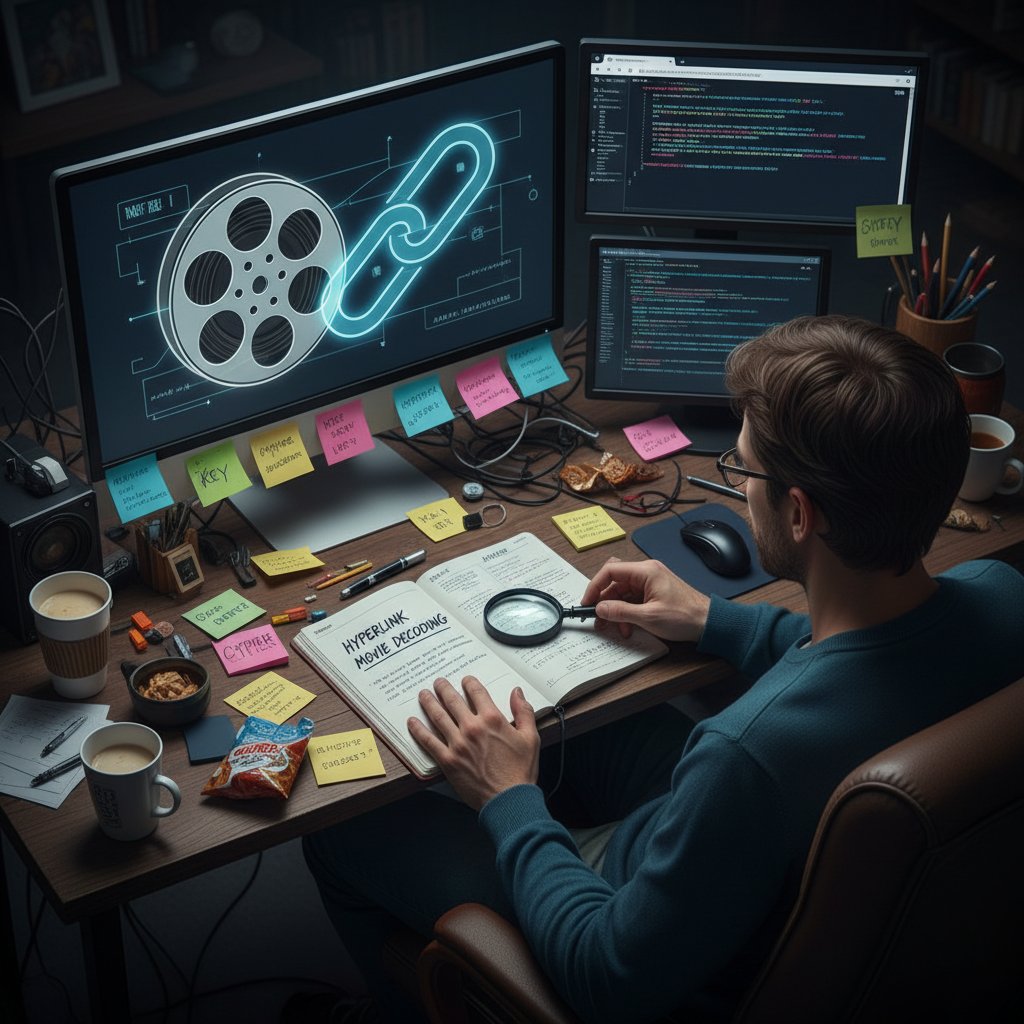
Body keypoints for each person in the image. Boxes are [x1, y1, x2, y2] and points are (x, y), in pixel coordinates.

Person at [299, 315, 1024, 1024]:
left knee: (346, 832)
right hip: (783, 879)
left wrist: (509, 799)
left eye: (744, 467)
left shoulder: (744, 756)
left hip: (646, 945)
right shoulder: (1003, 595)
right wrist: (719, 620)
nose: (740, 488)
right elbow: (874, 661)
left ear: (800, 514)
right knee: (600, 718)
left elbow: (606, 980)